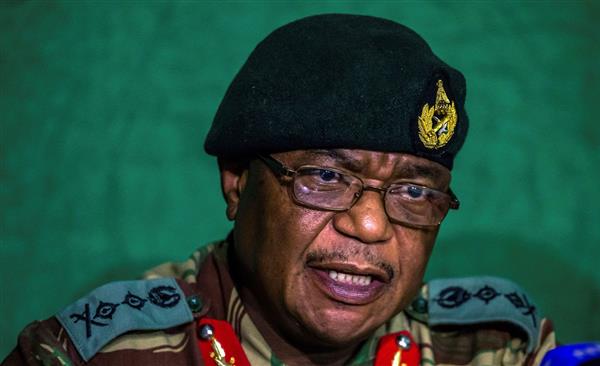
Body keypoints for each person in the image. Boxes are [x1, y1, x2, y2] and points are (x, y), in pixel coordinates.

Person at [2, 14, 556, 366]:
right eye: (326, 177)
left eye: (414, 191)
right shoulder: (104, 355)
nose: (370, 225)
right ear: (238, 184)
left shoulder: (495, 346)